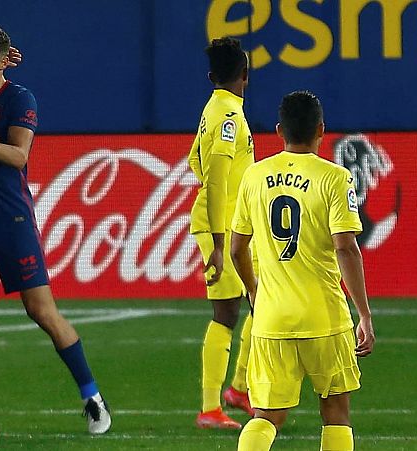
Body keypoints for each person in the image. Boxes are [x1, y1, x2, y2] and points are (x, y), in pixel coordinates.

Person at [0, 24, 111, 434]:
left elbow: (18, 155)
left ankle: (92, 396)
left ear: (4, 61)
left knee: (41, 310)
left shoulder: (18, 98)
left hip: (11, 218)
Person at [231, 91, 375, 451]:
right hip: (324, 315)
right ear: (321, 130)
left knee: (264, 417)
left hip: (272, 317)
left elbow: (236, 248)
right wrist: (365, 314)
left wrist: (253, 291)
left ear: (280, 130)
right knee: (336, 414)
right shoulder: (335, 178)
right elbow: (346, 247)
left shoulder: (254, 176)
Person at [187, 36, 255, 429]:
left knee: (261, 299)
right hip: (226, 228)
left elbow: (193, 158)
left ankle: (241, 387)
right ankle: (211, 408)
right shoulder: (228, 118)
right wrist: (217, 244)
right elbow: (213, 178)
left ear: (212, 76)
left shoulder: (214, 109)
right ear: (245, 75)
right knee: (227, 312)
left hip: (238, 224)